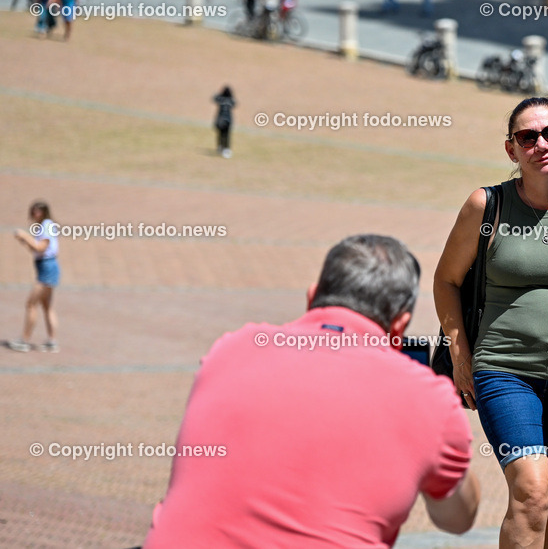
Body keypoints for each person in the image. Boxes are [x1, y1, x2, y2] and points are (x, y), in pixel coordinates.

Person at [144, 234, 480, 548]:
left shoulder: (231, 349)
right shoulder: (427, 397)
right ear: (400, 326)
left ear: (311, 296)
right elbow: (456, 519)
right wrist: (444, 443)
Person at [434, 97, 548, 548]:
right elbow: (446, 280)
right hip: (504, 371)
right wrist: (461, 355)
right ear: (511, 149)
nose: (542, 145)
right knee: (533, 492)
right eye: (527, 137)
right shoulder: (486, 206)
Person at [8, 201, 61, 352]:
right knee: (47, 306)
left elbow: (41, 247)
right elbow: (36, 250)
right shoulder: (44, 226)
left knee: (31, 304)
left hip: (47, 269)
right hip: (46, 266)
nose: (34, 214)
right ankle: (52, 341)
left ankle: (25, 340)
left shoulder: (46, 225)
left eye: (37, 211)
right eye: (33, 211)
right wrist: (25, 241)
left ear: (44, 212)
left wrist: (25, 236)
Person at [212, 86, 235, 158]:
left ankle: (220, 147)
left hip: (220, 119)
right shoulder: (230, 100)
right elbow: (235, 104)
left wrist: (220, 93)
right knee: (227, 135)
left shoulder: (220, 99)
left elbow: (214, 98)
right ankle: (226, 149)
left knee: (220, 134)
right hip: (228, 120)